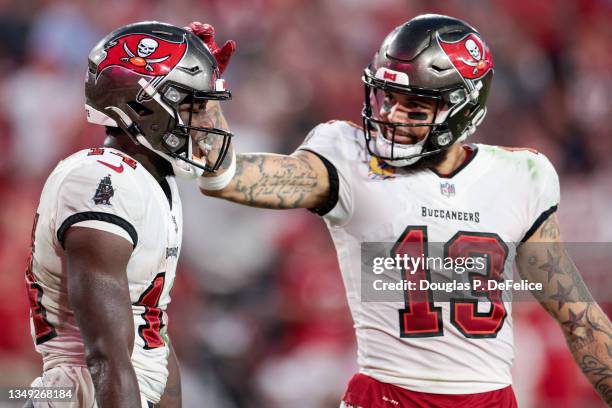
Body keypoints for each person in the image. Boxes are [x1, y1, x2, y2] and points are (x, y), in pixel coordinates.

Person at [199, 14, 612, 407]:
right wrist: (204, 103)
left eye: (413, 104)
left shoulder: (522, 175)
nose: (391, 116)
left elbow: (579, 318)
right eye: (387, 97)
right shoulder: (349, 156)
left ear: (462, 109)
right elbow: (232, 177)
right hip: (387, 395)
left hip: (488, 399)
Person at [24, 21, 234, 407]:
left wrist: (200, 71)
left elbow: (152, 339)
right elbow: (106, 357)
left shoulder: (153, 181)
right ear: (146, 105)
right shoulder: (101, 180)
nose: (207, 121)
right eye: (195, 106)